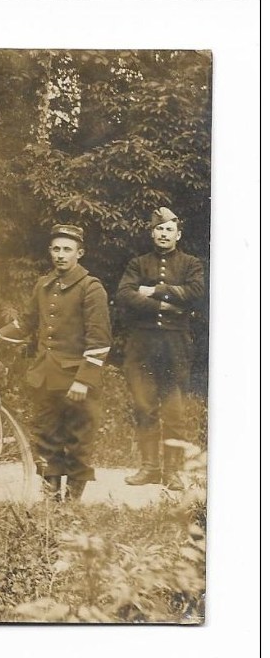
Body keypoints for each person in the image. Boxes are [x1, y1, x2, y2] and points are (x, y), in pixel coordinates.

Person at [0, 224, 112, 501]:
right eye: (56, 248)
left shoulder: (91, 288)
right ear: (49, 251)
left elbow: (99, 340)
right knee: (47, 436)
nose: (61, 255)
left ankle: (72, 499)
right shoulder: (44, 284)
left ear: (80, 252)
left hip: (76, 380)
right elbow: (26, 322)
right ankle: (52, 493)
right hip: (45, 376)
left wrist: (83, 380)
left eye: (67, 249)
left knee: (78, 440)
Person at [116, 207, 205, 490]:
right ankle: (150, 468)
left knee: (174, 411)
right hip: (141, 346)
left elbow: (196, 293)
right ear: (152, 233)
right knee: (144, 407)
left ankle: (173, 472)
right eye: (159, 229)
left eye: (169, 230)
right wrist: (166, 304)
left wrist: (152, 290)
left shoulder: (191, 264)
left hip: (174, 347)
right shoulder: (137, 264)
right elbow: (125, 295)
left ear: (178, 235)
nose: (164, 234)